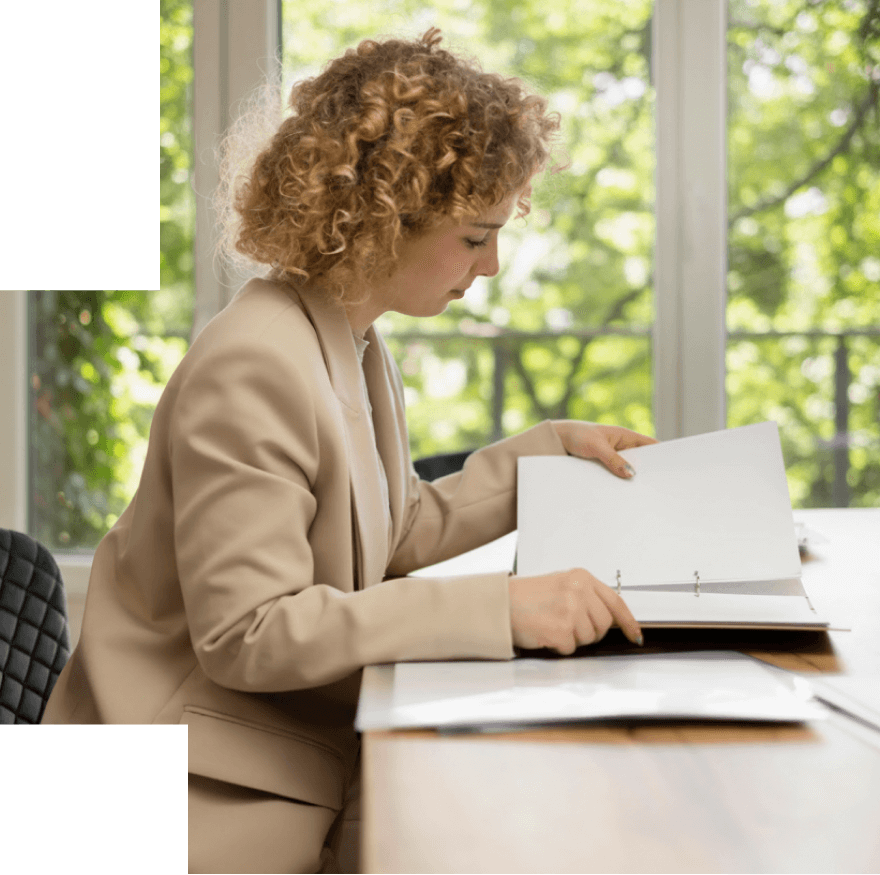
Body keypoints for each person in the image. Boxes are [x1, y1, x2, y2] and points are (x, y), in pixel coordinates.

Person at [43, 28, 656, 873]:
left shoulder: (349, 341)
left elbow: (389, 529)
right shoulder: (256, 362)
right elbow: (249, 632)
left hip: (273, 750)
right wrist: (499, 608)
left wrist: (543, 457)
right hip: (202, 773)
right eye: (475, 237)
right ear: (380, 220)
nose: (493, 265)